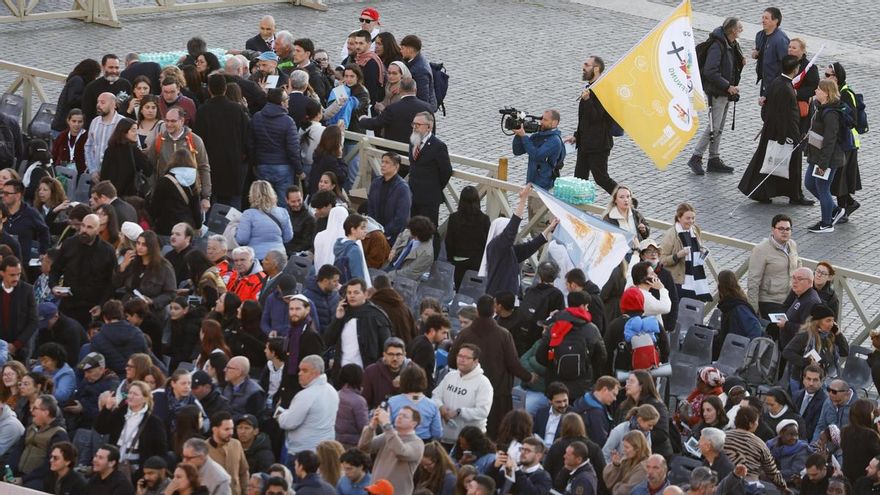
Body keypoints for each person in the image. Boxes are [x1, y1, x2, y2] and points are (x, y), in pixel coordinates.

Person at [449, 295, 534, 437]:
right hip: (498, 396)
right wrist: (529, 377)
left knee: (469, 435)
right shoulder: (504, 335)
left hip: (469, 393)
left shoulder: (465, 334)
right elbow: (513, 363)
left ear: (477, 311)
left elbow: (452, 361)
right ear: (494, 309)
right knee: (495, 437)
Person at [738, 55, 809, 204]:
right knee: (791, 164)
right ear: (795, 70)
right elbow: (786, 116)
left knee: (767, 161)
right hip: (785, 133)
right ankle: (794, 195)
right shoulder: (786, 88)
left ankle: (763, 192)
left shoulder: (777, 82)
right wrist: (789, 136)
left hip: (773, 130)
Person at [687, 17, 744, 175]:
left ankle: (714, 158)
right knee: (714, 126)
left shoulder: (730, 43)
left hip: (725, 92)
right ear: (732, 30)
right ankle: (696, 157)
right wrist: (727, 86)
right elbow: (710, 71)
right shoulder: (718, 46)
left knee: (718, 126)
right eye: (739, 27)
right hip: (717, 92)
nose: (742, 29)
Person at [479, 185, 556, 297]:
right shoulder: (497, 246)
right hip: (499, 298)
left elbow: (530, 247)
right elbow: (512, 228)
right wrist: (523, 199)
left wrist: (549, 228)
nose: (514, 236)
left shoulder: (509, 249)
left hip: (510, 297)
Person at [194, 74, 250, 210]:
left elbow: (198, 139)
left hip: (211, 163)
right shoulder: (237, 109)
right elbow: (246, 135)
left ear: (209, 90)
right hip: (234, 162)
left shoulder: (202, 111)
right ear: (225, 88)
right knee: (234, 202)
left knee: (213, 201)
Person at [536, 291, 605, 400]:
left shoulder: (553, 326)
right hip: (582, 385)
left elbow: (540, 356)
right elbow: (601, 357)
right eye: (587, 306)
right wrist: (587, 367)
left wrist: (553, 366)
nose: (587, 309)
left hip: (555, 384)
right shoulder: (591, 329)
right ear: (582, 306)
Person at [563, 55, 617, 193]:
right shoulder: (591, 88)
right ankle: (577, 211)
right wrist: (576, 136)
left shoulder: (603, 90)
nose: (583, 67)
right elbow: (584, 119)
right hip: (585, 144)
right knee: (579, 179)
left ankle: (628, 201)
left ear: (596, 68)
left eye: (587, 65)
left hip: (598, 145)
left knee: (601, 178)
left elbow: (597, 118)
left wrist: (587, 100)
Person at [95, 380, 167, 479]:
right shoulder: (120, 413)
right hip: (113, 465)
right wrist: (106, 409)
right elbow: (101, 429)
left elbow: (161, 450)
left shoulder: (154, 422)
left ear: (145, 398)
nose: (131, 396)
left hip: (137, 470)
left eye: (135, 394)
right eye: (130, 393)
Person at [50, 220, 117, 325]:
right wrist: (53, 286)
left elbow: (111, 282)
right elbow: (55, 269)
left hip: (91, 308)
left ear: (98, 229)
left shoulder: (108, 251)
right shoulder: (69, 243)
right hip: (67, 304)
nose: (84, 230)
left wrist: (101, 305)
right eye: (83, 226)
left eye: (89, 227)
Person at [146, 106, 212, 211]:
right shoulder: (159, 141)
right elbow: (150, 169)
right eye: (166, 121)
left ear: (182, 121)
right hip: (165, 196)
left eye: (173, 121)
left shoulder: (194, 140)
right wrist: (154, 191)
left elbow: (204, 168)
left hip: (190, 196)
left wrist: (206, 197)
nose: (168, 124)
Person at [804, 78, 848, 233]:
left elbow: (830, 141)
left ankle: (826, 223)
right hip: (817, 156)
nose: (815, 91)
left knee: (822, 188)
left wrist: (823, 164)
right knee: (809, 183)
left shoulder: (831, 114)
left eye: (819, 89)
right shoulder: (819, 107)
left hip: (827, 159)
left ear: (827, 93)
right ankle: (835, 210)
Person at [324, 278, 392, 375]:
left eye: (356, 292)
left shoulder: (377, 315)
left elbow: (386, 345)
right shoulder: (344, 313)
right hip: (341, 372)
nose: (352, 296)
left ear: (365, 294)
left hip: (366, 373)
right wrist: (338, 319)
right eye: (349, 292)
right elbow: (328, 340)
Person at [276, 354, 338, 458]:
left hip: (303, 454)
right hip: (324, 451)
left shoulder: (306, 395)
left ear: (316, 373)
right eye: (299, 370)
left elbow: (289, 423)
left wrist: (280, 416)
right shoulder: (332, 390)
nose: (299, 374)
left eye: (304, 371)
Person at [431, 343, 493, 445]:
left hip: (470, 442)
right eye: (460, 356)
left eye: (466, 357)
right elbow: (435, 395)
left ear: (476, 361)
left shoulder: (483, 383)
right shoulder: (450, 376)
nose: (461, 360)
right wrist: (441, 407)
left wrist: (459, 412)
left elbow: (483, 411)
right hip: (444, 437)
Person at [358, 405, 426, 495]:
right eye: (399, 414)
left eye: (405, 416)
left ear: (414, 423)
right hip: (376, 490)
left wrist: (387, 425)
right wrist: (372, 427)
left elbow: (401, 452)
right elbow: (364, 447)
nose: (400, 417)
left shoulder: (417, 443)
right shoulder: (388, 435)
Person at [826, 62, 863, 223]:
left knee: (841, 177)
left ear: (837, 77)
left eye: (828, 75)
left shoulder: (846, 94)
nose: (825, 78)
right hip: (840, 142)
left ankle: (843, 210)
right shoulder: (834, 91)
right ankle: (848, 204)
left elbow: (852, 119)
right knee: (840, 177)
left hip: (848, 142)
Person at [783, 304, 848, 393]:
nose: (832, 324)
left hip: (824, 380)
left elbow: (845, 351)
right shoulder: (805, 335)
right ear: (818, 322)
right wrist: (807, 361)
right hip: (802, 382)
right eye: (828, 321)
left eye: (833, 321)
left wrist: (838, 334)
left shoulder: (829, 335)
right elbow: (787, 352)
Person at [722, 405, 787, 490]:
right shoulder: (760, 444)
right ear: (751, 424)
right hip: (749, 487)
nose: (758, 424)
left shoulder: (722, 437)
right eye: (757, 421)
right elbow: (772, 472)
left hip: (722, 482)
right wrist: (784, 487)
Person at [747, 214, 799, 318]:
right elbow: (753, 281)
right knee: (778, 330)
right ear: (773, 230)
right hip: (769, 301)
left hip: (790, 299)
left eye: (788, 229)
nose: (784, 232)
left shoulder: (792, 244)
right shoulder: (761, 249)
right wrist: (753, 310)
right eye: (781, 229)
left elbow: (798, 265)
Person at [406, 111, 452, 228]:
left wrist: (434, 187)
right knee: (412, 229)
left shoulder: (438, 146)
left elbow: (446, 171)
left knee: (429, 230)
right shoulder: (413, 140)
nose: (415, 127)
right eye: (413, 124)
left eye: (418, 125)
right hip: (412, 195)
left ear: (429, 127)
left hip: (428, 198)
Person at [114, 231, 177, 313]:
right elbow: (116, 283)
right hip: (128, 307)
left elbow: (171, 293)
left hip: (150, 311)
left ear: (152, 247)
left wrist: (153, 301)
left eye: (144, 245)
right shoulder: (132, 261)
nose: (139, 247)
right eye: (138, 243)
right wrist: (123, 266)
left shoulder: (164, 266)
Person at [659, 202, 711, 302]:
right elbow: (661, 260)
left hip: (695, 280)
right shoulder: (671, 234)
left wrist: (702, 252)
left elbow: (697, 249)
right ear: (679, 218)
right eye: (688, 218)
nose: (691, 221)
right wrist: (678, 255)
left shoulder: (695, 230)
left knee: (693, 313)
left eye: (693, 218)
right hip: (678, 282)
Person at [148, 149, 203, 235]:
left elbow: (155, 206)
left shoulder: (165, 180)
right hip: (186, 227)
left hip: (166, 227)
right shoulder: (194, 179)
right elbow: (196, 207)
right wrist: (198, 225)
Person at [445, 185, 491, 289]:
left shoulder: (454, 218)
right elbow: (487, 243)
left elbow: (449, 242)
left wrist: (451, 258)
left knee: (459, 289)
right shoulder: (484, 219)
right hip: (478, 263)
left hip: (459, 262)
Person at [512, 107, 564, 199]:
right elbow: (517, 151)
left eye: (545, 120)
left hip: (542, 186)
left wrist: (524, 136)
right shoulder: (539, 135)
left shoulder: (554, 141)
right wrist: (518, 134)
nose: (541, 122)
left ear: (554, 123)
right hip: (532, 183)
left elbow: (536, 155)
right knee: (533, 212)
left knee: (537, 212)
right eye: (542, 118)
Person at [236, 181, 293, 260]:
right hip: (279, 257)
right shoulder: (283, 212)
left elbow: (242, 239)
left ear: (252, 195)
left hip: (257, 257)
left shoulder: (248, 214)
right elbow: (288, 237)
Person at [367, 152, 411, 245]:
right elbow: (370, 207)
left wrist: (384, 232)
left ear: (396, 166)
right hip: (375, 231)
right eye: (382, 162)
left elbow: (401, 217)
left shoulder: (402, 188)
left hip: (393, 236)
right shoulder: (376, 183)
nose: (382, 165)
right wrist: (374, 229)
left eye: (387, 162)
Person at [777, 267, 822, 355]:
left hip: (796, 352)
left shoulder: (811, 302)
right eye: (793, 277)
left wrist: (786, 324)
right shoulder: (799, 293)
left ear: (810, 282)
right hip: (787, 346)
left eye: (800, 279)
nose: (795, 281)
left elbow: (808, 330)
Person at [3, 179, 50, 262]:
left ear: (18, 195)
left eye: (7, 193)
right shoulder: (1, 211)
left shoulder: (31, 214)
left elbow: (44, 231)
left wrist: (43, 252)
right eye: (3, 192)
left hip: (22, 262)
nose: (3, 196)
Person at [0, 256, 37, 361]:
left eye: (18, 274)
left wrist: (16, 345)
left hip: (21, 348)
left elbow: (34, 321)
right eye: (12, 275)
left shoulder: (27, 290)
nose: (16, 278)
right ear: (2, 273)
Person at [51, 58, 101, 135]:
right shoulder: (77, 81)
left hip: (62, 125)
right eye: (95, 75)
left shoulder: (75, 79)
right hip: (63, 127)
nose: (95, 78)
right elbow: (73, 100)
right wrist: (90, 98)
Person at [82, 54, 132, 127]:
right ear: (103, 67)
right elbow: (87, 113)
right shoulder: (92, 87)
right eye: (111, 67)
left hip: (121, 128)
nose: (114, 71)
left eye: (117, 68)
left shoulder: (126, 84)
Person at [206, 411, 249, 495]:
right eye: (226, 429)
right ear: (215, 430)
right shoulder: (204, 449)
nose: (231, 433)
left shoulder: (236, 444)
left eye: (232, 428)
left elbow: (243, 472)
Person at [840, 398, 880, 484]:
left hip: (848, 478)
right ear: (867, 416)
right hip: (865, 478)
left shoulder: (845, 431)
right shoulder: (870, 435)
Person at [753, 7, 790, 101]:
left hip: (775, 83)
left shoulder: (780, 40)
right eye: (762, 17)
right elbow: (759, 50)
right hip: (765, 80)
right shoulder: (760, 35)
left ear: (775, 21)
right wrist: (756, 53)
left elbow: (786, 63)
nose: (763, 21)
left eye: (766, 18)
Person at [408, 314, 450, 392]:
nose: (446, 337)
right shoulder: (426, 347)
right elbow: (416, 373)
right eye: (443, 332)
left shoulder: (418, 339)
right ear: (432, 331)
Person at [386, 216, 435, 281]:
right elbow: (400, 237)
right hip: (392, 264)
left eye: (410, 230)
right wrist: (393, 250)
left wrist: (388, 275)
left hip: (401, 277)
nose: (408, 230)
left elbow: (409, 273)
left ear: (416, 234)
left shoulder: (426, 254)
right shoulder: (410, 232)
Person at [602, 430, 650, 495]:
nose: (623, 450)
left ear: (637, 449)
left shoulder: (644, 467)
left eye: (627, 447)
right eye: (623, 446)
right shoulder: (627, 459)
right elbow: (608, 480)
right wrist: (616, 465)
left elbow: (628, 490)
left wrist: (616, 486)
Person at [767, 419, 811, 485]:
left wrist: (772, 473)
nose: (794, 438)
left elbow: (795, 472)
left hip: (791, 485)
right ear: (781, 434)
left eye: (796, 434)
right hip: (770, 481)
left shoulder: (802, 448)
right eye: (790, 434)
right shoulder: (770, 445)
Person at [399, 35, 437, 110]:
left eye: (402, 48)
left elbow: (423, 98)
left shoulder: (420, 71)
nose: (400, 51)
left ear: (410, 50)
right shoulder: (415, 60)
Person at [52, 108, 89, 173]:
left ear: (83, 123)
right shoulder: (62, 136)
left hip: (81, 174)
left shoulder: (87, 137)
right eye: (74, 121)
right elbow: (54, 155)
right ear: (68, 121)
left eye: (80, 122)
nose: (76, 124)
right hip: (61, 174)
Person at [284, 186, 316, 253]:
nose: (297, 204)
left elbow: (306, 243)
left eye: (299, 200)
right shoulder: (284, 213)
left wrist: (289, 253)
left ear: (302, 198)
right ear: (287, 200)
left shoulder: (309, 218)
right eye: (293, 201)